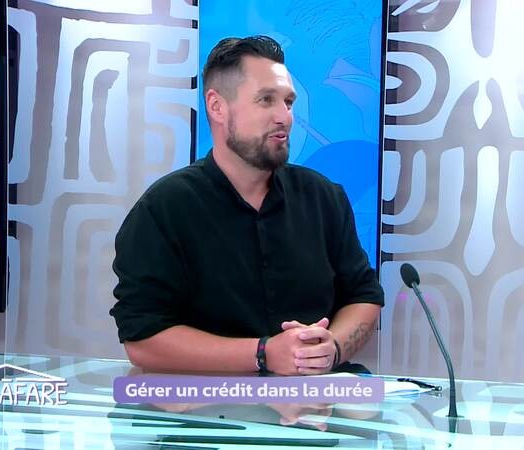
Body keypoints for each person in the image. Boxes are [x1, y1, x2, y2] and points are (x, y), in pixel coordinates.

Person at [109, 35, 383, 376]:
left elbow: (363, 296)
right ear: (217, 107)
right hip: (206, 406)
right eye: (266, 100)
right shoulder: (163, 209)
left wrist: (333, 348)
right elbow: (141, 338)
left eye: (288, 102)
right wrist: (263, 354)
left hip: (317, 404)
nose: (284, 117)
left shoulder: (325, 198)